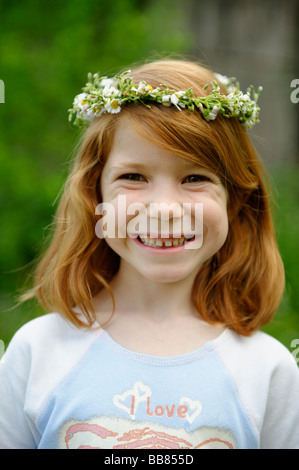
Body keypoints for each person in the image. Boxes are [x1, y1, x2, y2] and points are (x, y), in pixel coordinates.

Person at [0, 59, 298, 449]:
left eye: (195, 178)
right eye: (134, 177)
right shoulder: (38, 352)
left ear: (236, 200)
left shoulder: (267, 370)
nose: (164, 209)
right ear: (96, 195)